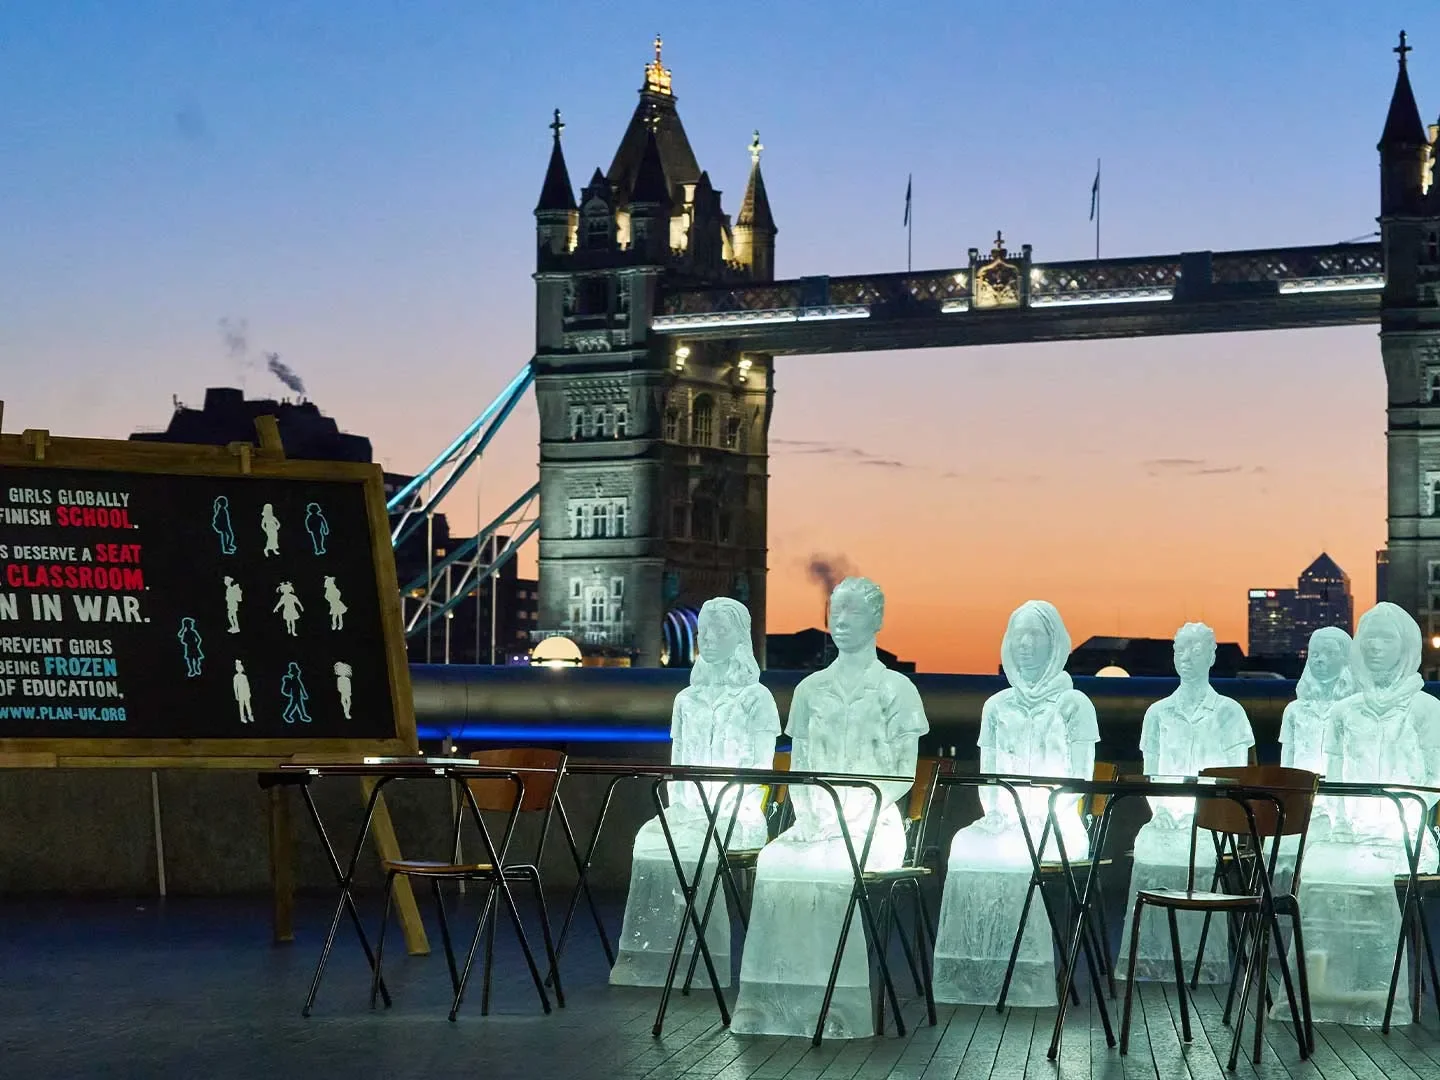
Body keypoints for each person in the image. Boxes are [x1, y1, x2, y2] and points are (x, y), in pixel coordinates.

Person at [732, 577, 928, 1039]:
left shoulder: (897, 690)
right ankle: (771, 1000)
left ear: (877, 620)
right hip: (817, 822)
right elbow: (800, 770)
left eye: (853, 612)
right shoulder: (809, 690)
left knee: (832, 864)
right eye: (835, 611)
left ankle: (839, 1003)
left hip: (873, 823)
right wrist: (810, 817)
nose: (840, 620)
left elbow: (901, 775)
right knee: (777, 858)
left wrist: (850, 817)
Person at [931, 600, 1099, 1006]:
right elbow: (988, 779)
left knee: (1016, 847)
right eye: (1017, 634)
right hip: (1005, 820)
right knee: (966, 842)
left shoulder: (1076, 706)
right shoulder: (996, 706)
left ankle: (1025, 974)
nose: (1024, 644)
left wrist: (1034, 814)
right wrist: (998, 814)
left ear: (1055, 642)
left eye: (1035, 635)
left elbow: (1079, 781)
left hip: (1057, 824)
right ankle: (976, 968)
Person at [610, 597, 779, 988]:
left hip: (738, 815)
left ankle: (704, 958)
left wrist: (722, 808)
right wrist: (685, 807)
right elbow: (678, 764)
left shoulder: (758, 699)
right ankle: (656, 957)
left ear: (741, 637)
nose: (711, 638)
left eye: (722, 630)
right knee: (652, 836)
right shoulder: (685, 700)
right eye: (706, 630)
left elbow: (759, 772)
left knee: (697, 843)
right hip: (692, 811)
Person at [1288, 603, 1440, 1025]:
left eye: (1386, 638)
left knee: (1365, 865)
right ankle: (1325, 988)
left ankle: (1377, 990)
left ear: (1406, 646)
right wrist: (1343, 822)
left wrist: (1388, 821)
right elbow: (1331, 785)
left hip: (1402, 834)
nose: (1374, 646)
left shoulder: (1428, 711)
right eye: (1368, 637)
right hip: (1349, 833)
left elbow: (1431, 784)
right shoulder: (1343, 713)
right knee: (1318, 864)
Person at [1118, 622, 1254, 985]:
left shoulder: (1230, 713)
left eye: (1196, 650)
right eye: (1181, 651)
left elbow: (1235, 779)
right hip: (1169, 817)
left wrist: (1207, 814)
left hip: (1213, 822)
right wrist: (1161, 810)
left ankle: (1202, 958)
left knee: (1203, 850)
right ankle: (1150, 957)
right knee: (1150, 841)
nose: (1187, 658)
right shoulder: (1157, 714)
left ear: (1211, 656)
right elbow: (1152, 775)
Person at [233, 660, 254, 724]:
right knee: (241, 706)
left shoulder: (244, 676)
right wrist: (236, 695)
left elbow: (247, 685)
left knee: (248, 705)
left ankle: (250, 716)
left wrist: (249, 693)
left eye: (241, 668)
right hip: (241, 694)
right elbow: (235, 687)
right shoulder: (236, 677)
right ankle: (242, 718)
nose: (240, 669)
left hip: (246, 693)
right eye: (238, 668)